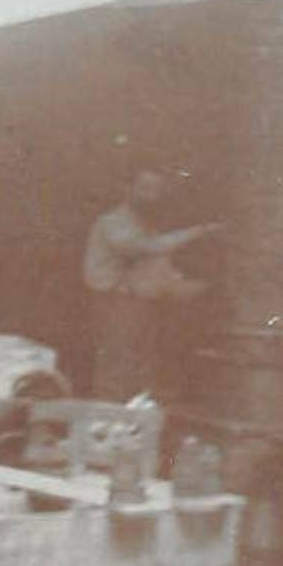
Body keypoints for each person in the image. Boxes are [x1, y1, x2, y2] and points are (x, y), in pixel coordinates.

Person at [82, 168, 220, 403]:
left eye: (157, 191)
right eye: (145, 189)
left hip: (143, 308)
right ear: (127, 189)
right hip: (117, 304)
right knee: (116, 371)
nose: (152, 196)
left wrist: (206, 287)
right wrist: (199, 232)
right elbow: (144, 248)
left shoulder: (148, 228)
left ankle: (133, 430)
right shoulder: (112, 223)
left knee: (140, 372)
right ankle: (107, 427)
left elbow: (163, 276)